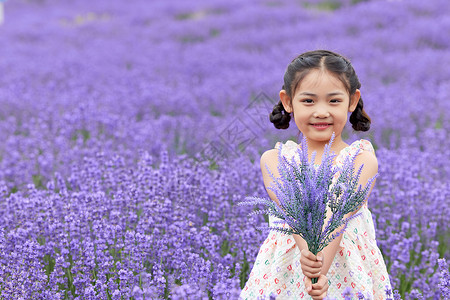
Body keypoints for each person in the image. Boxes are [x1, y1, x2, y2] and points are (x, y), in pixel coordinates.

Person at [239, 50, 392, 300]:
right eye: (308, 101)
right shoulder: (275, 160)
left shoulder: (361, 159)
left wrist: (320, 266)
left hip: (346, 275)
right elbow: (294, 211)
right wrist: (311, 259)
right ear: (288, 101)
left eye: (334, 101)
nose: (321, 112)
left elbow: (339, 215)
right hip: (285, 273)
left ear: (352, 101)